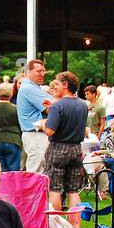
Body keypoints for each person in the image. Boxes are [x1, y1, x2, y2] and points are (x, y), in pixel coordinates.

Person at [39, 70, 88, 212]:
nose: (55, 87)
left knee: (54, 188)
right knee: (73, 190)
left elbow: (50, 131)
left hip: (58, 148)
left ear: (65, 85)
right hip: (77, 148)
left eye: (58, 84)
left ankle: (58, 227)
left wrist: (43, 124)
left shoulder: (57, 106)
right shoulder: (83, 104)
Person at [17, 59, 52, 172]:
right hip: (36, 135)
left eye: (43, 71)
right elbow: (54, 109)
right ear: (28, 72)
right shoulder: (30, 88)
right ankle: (33, 190)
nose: (42, 74)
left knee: (36, 169)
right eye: (39, 71)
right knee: (37, 171)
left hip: (34, 135)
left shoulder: (32, 87)